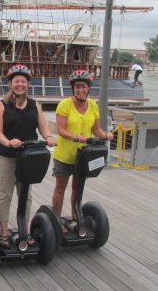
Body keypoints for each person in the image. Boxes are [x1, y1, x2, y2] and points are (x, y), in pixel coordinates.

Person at [0, 64, 56, 248]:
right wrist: (8, 142)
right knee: (5, 194)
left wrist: (49, 137)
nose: (20, 84)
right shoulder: (1, 105)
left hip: (29, 156)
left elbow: (43, 127)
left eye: (23, 81)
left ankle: (24, 230)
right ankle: (4, 232)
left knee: (26, 195)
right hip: (7, 156)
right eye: (16, 81)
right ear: (10, 84)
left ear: (27, 84)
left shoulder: (35, 104)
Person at [52, 70, 114, 233]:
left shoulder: (92, 104)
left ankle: (75, 214)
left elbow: (96, 129)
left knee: (78, 187)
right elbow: (60, 130)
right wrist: (76, 137)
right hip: (65, 154)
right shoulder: (64, 105)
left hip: (84, 154)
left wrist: (106, 136)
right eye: (78, 87)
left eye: (83, 87)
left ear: (88, 88)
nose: (80, 90)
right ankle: (57, 219)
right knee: (60, 187)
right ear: (73, 88)